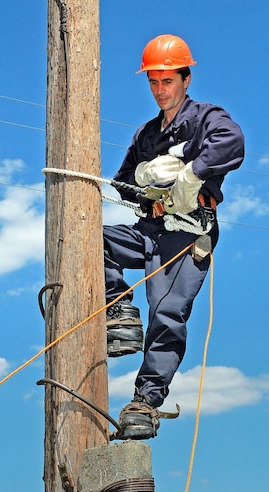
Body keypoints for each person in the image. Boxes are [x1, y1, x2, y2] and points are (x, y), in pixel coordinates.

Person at [104, 34, 245, 440]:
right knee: (93, 243)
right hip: (151, 228)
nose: (160, 89)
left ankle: (145, 402)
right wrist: (147, 184)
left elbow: (231, 142)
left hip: (187, 234)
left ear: (185, 78)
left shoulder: (205, 118)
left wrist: (191, 172)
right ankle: (120, 314)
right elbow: (122, 181)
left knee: (167, 312)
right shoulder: (147, 135)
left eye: (167, 80)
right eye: (153, 81)